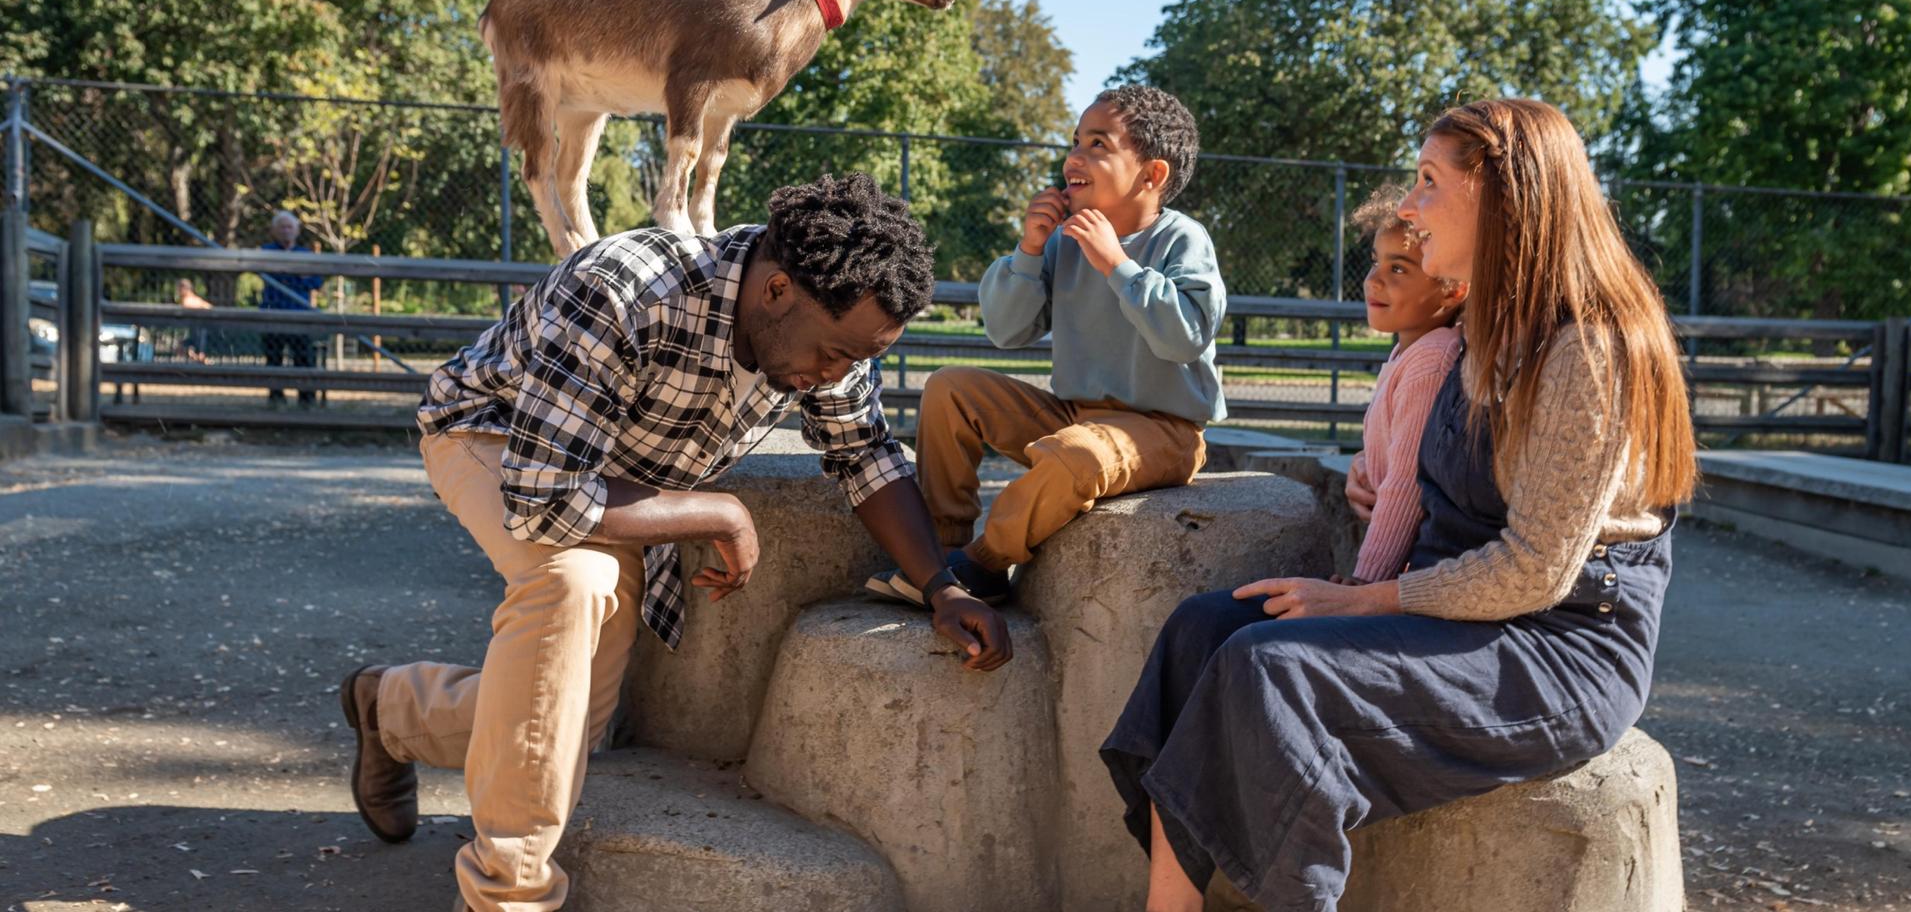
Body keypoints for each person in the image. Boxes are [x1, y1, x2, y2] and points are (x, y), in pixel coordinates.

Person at [339, 173, 1012, 912]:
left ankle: (393, 709)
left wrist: (941, 587)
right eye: (838, 353)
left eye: (861, 359)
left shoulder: (827, 328)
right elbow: (543, 497)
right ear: (777, 290)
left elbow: (864, 456)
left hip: (612, 483)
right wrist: (715, 511)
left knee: (573, 726)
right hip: (497, 439)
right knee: (575, 583)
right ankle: (508, 893)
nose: (839, 375)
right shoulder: (624, 288)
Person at [1101, 98, 1697, 911]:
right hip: (1460, 608)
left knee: (1274, 669)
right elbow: (1440, 478)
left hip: (1558, 646)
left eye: (1427, 182)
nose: (1408, 207)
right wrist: (1377, 479)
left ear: (1505, 197)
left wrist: (1358, 600)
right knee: (1203, 630)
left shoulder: (1585, 349)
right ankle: (1169, 907)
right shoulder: (1477, 327)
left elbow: (1533, 571)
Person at [868, 84, 1225, 605]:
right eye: (1076, 140)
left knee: (1073, 454)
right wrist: (1030, 250)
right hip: (1074, 413)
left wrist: (1117, 265)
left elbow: (1184, 337)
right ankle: (941, 551)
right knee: (949, 390)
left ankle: (985, 563)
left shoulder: (1182, 240)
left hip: (1165, 431)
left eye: (1098, 145)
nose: (1074, 157)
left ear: (1152, 175)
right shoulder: (1063, 240)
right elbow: (1007, 332)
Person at [1339, 183, 1467, 583]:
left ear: (1451, 291)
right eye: (1376, 262)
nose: (1373, 280)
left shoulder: (1431, 360)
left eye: (1398, 269)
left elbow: (1406, 488)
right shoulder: (1408, 352)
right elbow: (1395, 443)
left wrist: (1364, 585)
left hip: (1414, 574)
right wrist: (1363, 464)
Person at [257, 210, 324, 407]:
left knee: (304, 358)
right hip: (273, 311)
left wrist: (300, 277)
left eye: (289, 227)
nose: (286, 231)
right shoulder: (266, 251)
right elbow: (268, 275)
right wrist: (297, 275)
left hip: (300, 312)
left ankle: (306, 399)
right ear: (274, 231)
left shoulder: (305, 254)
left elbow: (316, 281)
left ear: (297, 231)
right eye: (282, 227)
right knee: (273, 358)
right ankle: (276, 397)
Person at [175, 278, 214, 363]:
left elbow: (209, 308)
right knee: (182, 348)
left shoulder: (189, 300)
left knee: (199, 354)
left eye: (178, 289)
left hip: (201, 330)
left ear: (183, 288)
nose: (177, 292)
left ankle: (206, 362)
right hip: (195, 330)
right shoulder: (194, 299)